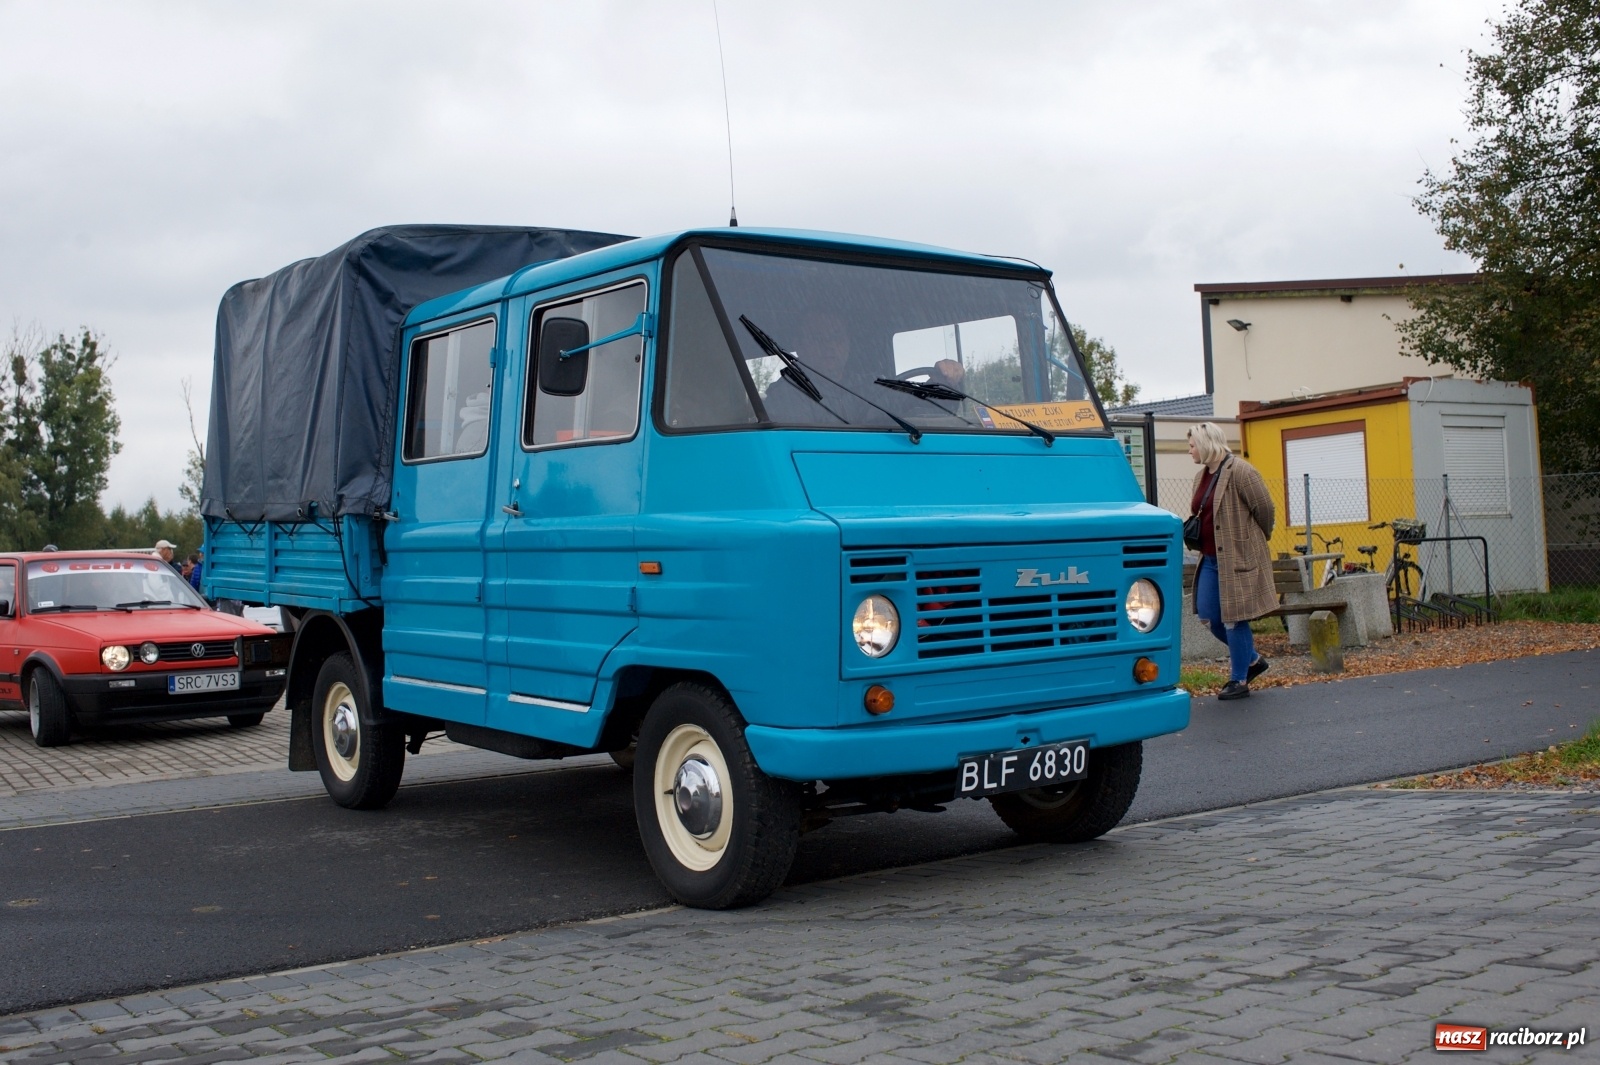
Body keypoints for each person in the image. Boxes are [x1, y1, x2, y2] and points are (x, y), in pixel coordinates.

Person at [1186, 422, 1276, 700]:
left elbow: (1265, 509)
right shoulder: (1201, 476)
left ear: (1206, 444)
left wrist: (1253, 540)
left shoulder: (1241, 471)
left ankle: (1239, 679)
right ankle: (1253, 660)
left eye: (1192, 445)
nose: (1189, 451)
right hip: (1210, 558)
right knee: (1209, 616)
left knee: (1234, 619)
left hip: (1236, 558)